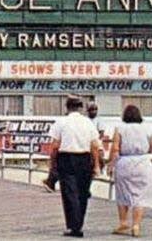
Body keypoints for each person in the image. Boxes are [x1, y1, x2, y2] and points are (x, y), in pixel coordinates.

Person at [48, 96, 100, 238]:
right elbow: (94, 146)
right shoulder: (88, 123)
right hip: (85, 159)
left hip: (66, 159)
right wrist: (96, 165)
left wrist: (52, 165)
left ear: (67, 107)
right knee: (83, 193)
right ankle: (78, 223)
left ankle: (74, 226)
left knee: (70, 194)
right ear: (81, 107)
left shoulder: (61, 122)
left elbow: (54, 146)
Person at [107, 104, 152, 237]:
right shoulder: (148, 129)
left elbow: (115, 148)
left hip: (124, 162)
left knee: (122, 193)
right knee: (140, 195)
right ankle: (136, 225)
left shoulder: (120, 129)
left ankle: (123, 222)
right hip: (142, 162)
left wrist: (111, 164)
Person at [86, 102, 107, 173]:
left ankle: (102, 168)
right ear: (88, 110)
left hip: (96, 141)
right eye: (92, 109)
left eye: (95, 109)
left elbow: (101, 133)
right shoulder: (85, 120)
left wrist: (95, 140)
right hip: (86, 141)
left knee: (100, 154)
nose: (94, 111)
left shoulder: (99, 120)